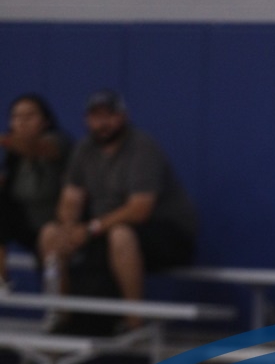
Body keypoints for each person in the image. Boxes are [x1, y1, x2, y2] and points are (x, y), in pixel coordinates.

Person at [39, 90, 196, 328]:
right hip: (105, 229)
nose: (102, 123)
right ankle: (61, 316)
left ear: (123, 116)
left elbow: (139, 210)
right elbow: (70, 199)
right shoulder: (84, 149)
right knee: (50, 234)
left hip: (165, 232)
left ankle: (134, 320)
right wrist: (69, 229)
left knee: (121, 234)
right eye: (96, 117)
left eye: (109, 116)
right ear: (86, 119)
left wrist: (89, 230)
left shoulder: (142, 147)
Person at [0, 94, 70, 292]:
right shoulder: (12, 154)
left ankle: (57, 304)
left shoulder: (58, 142)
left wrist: (5, 140)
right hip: (24, 224)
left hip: (56, 225)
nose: (22, 122)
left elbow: (35, 148)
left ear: (45, 121)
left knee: (50, 235)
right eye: (16, 117)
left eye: (29, 116)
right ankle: (1, 279)